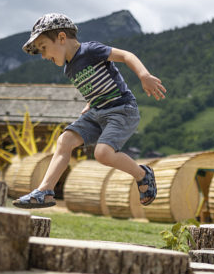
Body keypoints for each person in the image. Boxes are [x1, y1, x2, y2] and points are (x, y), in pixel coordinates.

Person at [12, 13, 166, 208]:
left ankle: (142, 174)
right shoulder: (69, 68)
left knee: (102, 154)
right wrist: (90, 103)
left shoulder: (90, 50)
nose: (43, 56)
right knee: (64, 141)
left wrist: (144, 75)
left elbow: (126, 56)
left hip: (121, 109)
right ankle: (45, 191)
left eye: (44, 48)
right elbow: (94, 87)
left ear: (61, 38)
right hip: (97, 111)